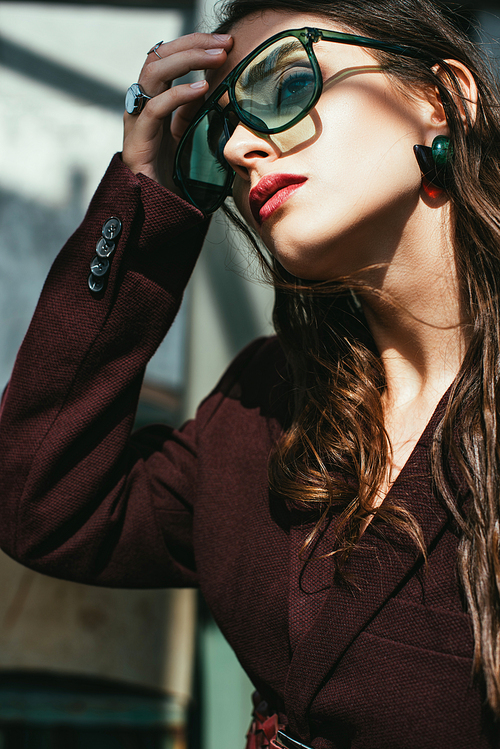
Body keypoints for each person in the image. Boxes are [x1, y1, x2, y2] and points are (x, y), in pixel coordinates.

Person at [0, 0, 499, 745]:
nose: (236, 147)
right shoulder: (264, 403)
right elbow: (45, 500)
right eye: (217, 128)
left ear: (443, 97)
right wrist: (150, 197)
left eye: (285, 84)